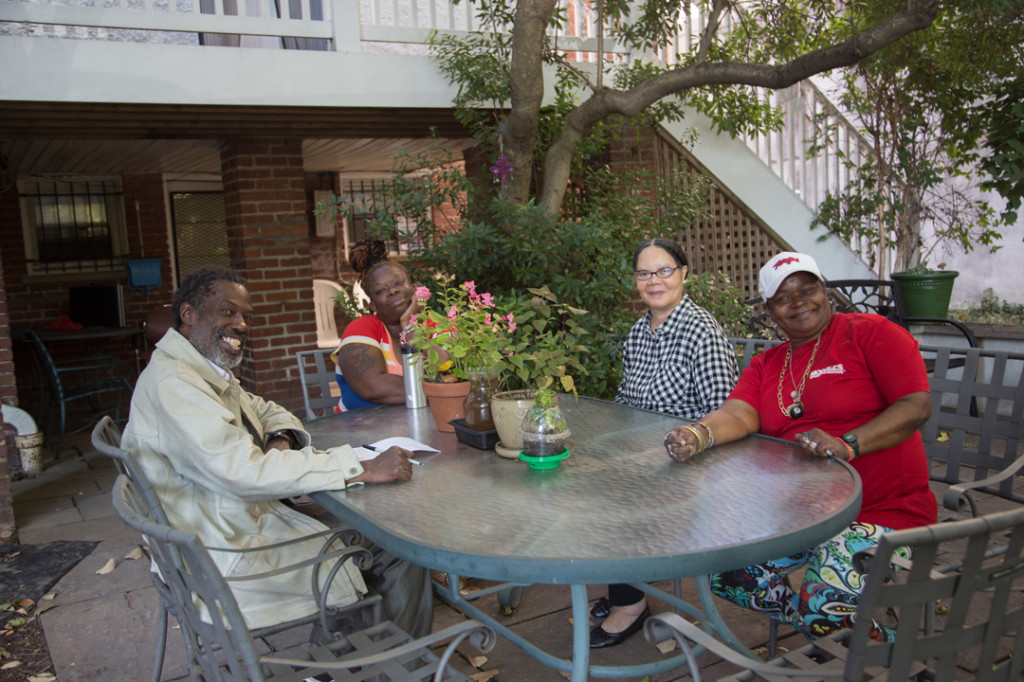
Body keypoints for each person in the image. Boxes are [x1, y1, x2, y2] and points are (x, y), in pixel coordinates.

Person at [121, 265, 432, 637]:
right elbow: (244, 473)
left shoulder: (196, 370)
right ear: (188, 314)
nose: (241, 325)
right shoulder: (176, 384)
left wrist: (280, 438)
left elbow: (269, 410)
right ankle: (384, 667)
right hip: (227, 554)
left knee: (374, 523)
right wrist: (358, 467)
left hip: (232, 522)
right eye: (227, 312)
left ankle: (345, 662)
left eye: (245, 316)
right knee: (398, 542)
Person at [664, 251, 935, 642]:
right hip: (799, 517)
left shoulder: (870, 333)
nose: (799, 301)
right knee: (725, 571)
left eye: (808, 288)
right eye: (784, 297)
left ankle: (892, 649)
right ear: (771, 311)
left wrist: (848, 445)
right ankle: (822, 626)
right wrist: (698, 434)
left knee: (823, 598)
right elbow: (739, 414)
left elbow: (916, 407)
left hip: (887, 514)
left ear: (825, 293)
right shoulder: (767, 363)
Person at [592, 237, 739, 649]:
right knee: (580, 476)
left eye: (664, 271)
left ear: (683, 274)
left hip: (687, 466)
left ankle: (630, 603)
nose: (653, 281)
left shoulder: (701, 332)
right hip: (639, 457)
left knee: (615, 499)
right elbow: (626, 400)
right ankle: (626, 583)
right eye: (644, 273)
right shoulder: (639, 332)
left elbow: (723, 416)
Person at [332, 239, 420, 410]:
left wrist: (410, 325)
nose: (393, 291)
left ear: (414, 289)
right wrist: (438, 388)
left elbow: (455, 373)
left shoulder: (435, 326)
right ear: (373, 305)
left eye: (398, 283)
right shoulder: (361, 329)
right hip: (359, 431)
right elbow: (373, 387)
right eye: (381, 291)